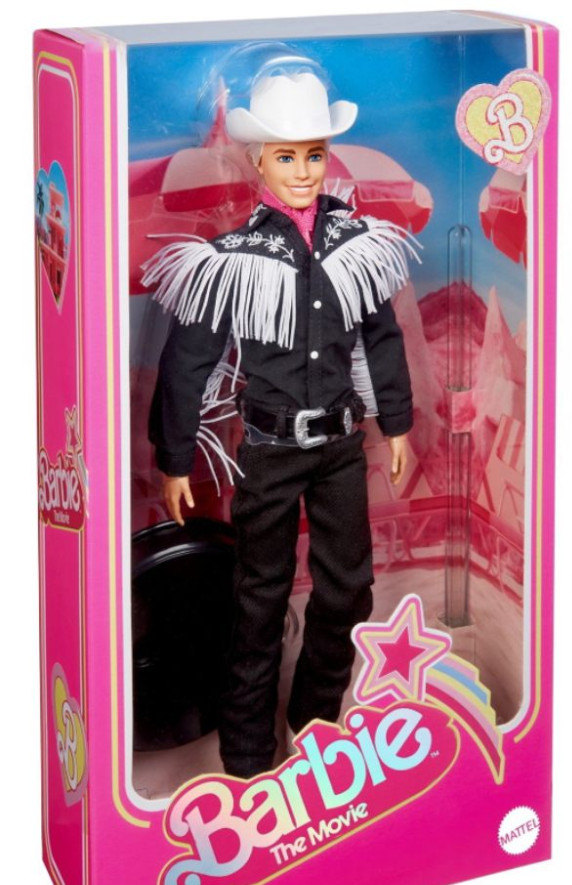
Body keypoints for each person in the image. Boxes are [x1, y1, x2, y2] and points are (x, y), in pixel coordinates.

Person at [144, 70, 416, 779]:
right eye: (287, 156)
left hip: (341, 447)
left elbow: (381, 338)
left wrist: (397, 423)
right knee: (258, 600)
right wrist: (174, 457)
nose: (302, 170)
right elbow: (188, 360)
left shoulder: (355, 243)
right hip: (268, 451)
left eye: (314, 154)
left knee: (347, 588)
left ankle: (315, 721)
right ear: (258, 160)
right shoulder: (234, 259)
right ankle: (244, 756)